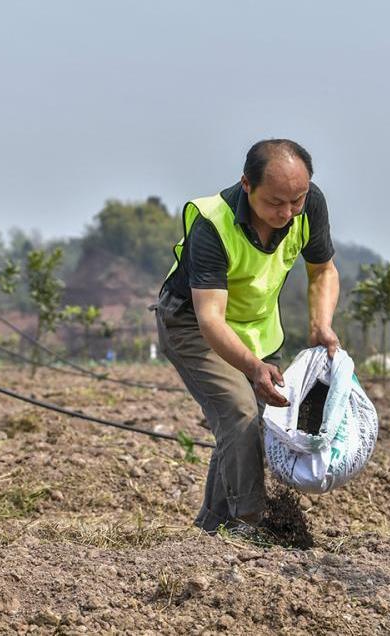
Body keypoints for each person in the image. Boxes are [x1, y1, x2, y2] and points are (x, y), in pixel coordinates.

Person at [153, 139, 340, 534]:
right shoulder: (212, 224)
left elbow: (322, 270)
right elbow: (210, 319)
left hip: (256, 328)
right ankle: (249, 526)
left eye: (297, 200)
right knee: (240, 411)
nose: (287, 212)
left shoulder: (309, 205)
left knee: (250, 426)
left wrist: (321, 323)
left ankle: (212, 529)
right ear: (247, 185)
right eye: (276, 202)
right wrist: (254, 367)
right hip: (192, 324)